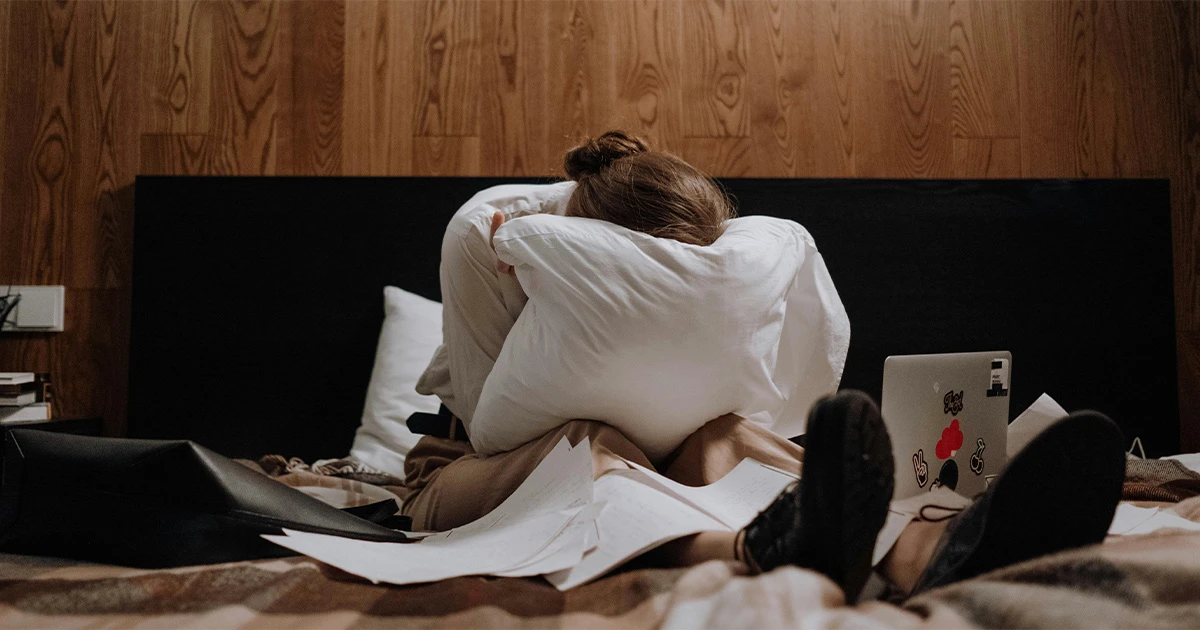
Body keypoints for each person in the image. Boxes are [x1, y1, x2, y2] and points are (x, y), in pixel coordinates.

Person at [399, 131, 1127, 602]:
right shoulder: (489, 236)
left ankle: (916, 546)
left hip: (662, 454)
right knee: (591, 445)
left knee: (728, 435)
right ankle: (754, 544)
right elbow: (494, 431)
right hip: (464, 468)